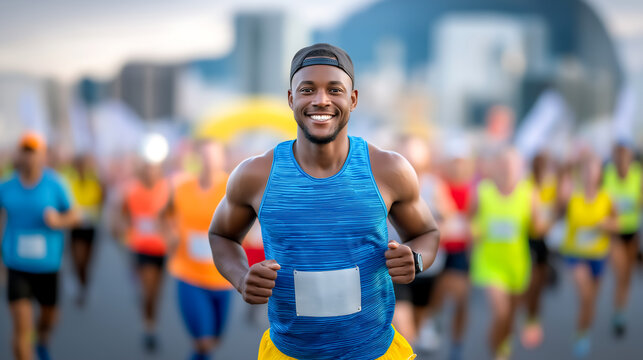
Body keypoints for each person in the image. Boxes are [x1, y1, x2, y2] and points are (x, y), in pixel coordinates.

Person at [209, 43, 440, 360]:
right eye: (307, 90)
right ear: (291, 99)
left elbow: (428, 233)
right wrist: (240, 278)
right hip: (289, 352)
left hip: (375, 352)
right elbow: (221, 235)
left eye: (334, 89)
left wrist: (416, 259)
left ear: (353, 99)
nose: (321, 100)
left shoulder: (389, 169)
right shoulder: (255, 174)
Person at [0, 131, 79, 360]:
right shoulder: (7, 187)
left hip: (48, 266)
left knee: (48, 318)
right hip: (17, 264)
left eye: (32, 152)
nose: (28, 157)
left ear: (42, 155)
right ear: (19, 155)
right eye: (24, 151)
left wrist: (59, 220)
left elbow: (75, 215)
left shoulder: (55, 184)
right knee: (22, 331)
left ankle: (43, 339)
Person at [469, 147, 545, 360]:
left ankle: (501, 345)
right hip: (489, 263)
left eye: (512, 165)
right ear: (494, 167)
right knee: (501, 312)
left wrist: (546, 215)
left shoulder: (529, 193)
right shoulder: (482, 191)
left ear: (521, 168)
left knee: (510, 316)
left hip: (517, 263)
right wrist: (474, 230)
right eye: (502, 165)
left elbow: (537, 229)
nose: (507, 170)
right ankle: (495, 351)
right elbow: (470, 220)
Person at [163, 140, 234, 360]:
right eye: (204, 156)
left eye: (214, 156)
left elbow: (255, 218)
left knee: (213, 339)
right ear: (197, 159)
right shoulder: (182, 188)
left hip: (223, 276)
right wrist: (170, 235)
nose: (209, 161)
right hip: (188, 273)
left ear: (223, 159)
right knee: (203, 342)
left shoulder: (233, 188)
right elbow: (164, 216)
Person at [391, 135, 452, 352]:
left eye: (415, 160)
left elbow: (448, 219)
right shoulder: (386, 185)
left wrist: (429, 234)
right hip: (394, 269)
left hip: (427, 269)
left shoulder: (434, 186)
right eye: (405, 158)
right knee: (404, 327)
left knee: (415, 327)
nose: (410, 165)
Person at [559, 153, 618, 358]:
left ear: (599, 174)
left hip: (598, 255)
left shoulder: (607, 198)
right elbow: (557, 208)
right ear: (581, 173)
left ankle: (583, 330)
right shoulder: (572, 196)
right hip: (575, 254)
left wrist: (605, 225)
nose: (590, 175)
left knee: (591, 301)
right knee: (585, 296)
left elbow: (616, 223)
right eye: (587, 171)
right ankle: (581, 335)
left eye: (594, 171)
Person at [114, 149, 170, 352]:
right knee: (147, 290)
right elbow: (122, 214)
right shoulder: (132, 190)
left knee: (155, 293)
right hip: (140, 246)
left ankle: (151, 321)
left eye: (154, 169)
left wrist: (170, 231)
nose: (151, 172)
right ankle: (148, 327)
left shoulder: (166, 189)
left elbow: (172, 216)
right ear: (142, 170)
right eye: (147, 168)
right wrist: (122, 227)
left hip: (161, 249)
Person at [424, 143, 475, 360]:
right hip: (438, 252)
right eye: (454, 162)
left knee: (461, 299)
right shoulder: (438, 186)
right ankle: (432, 326)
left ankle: (456, 343)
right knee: (435, 299)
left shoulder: (474, 190)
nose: (457, 167)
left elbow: (477, 222)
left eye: (461, 162)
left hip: (460, 253)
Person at [603, 142, 642, 337]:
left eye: (626, 160)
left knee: (627, 275)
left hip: (632, 231)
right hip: (614, 233)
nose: (622, 164)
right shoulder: (608, 175)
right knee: (620, 272)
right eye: (619, 160)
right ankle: (618, 309)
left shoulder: (638, 176)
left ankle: (621, 310)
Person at [521, 151, 557, 348]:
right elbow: (537, 225)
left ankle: (534, 318)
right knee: (532, 284)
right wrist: (552, 220)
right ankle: (528, 320)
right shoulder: (528, 187)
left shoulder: (550, 186)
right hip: (530, 240)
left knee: (540, 284)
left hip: (545, 242)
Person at [62, 153, 104, 307]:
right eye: (79, 165)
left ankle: (84, 285)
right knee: (77, 260)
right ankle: (80, 284)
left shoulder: (96, 180)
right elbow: (64, 203)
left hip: (91, 227)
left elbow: (101, 200)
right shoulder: (69, 180)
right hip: (75, 227)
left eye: (84, 165)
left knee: (86, 262)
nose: (82, 168)